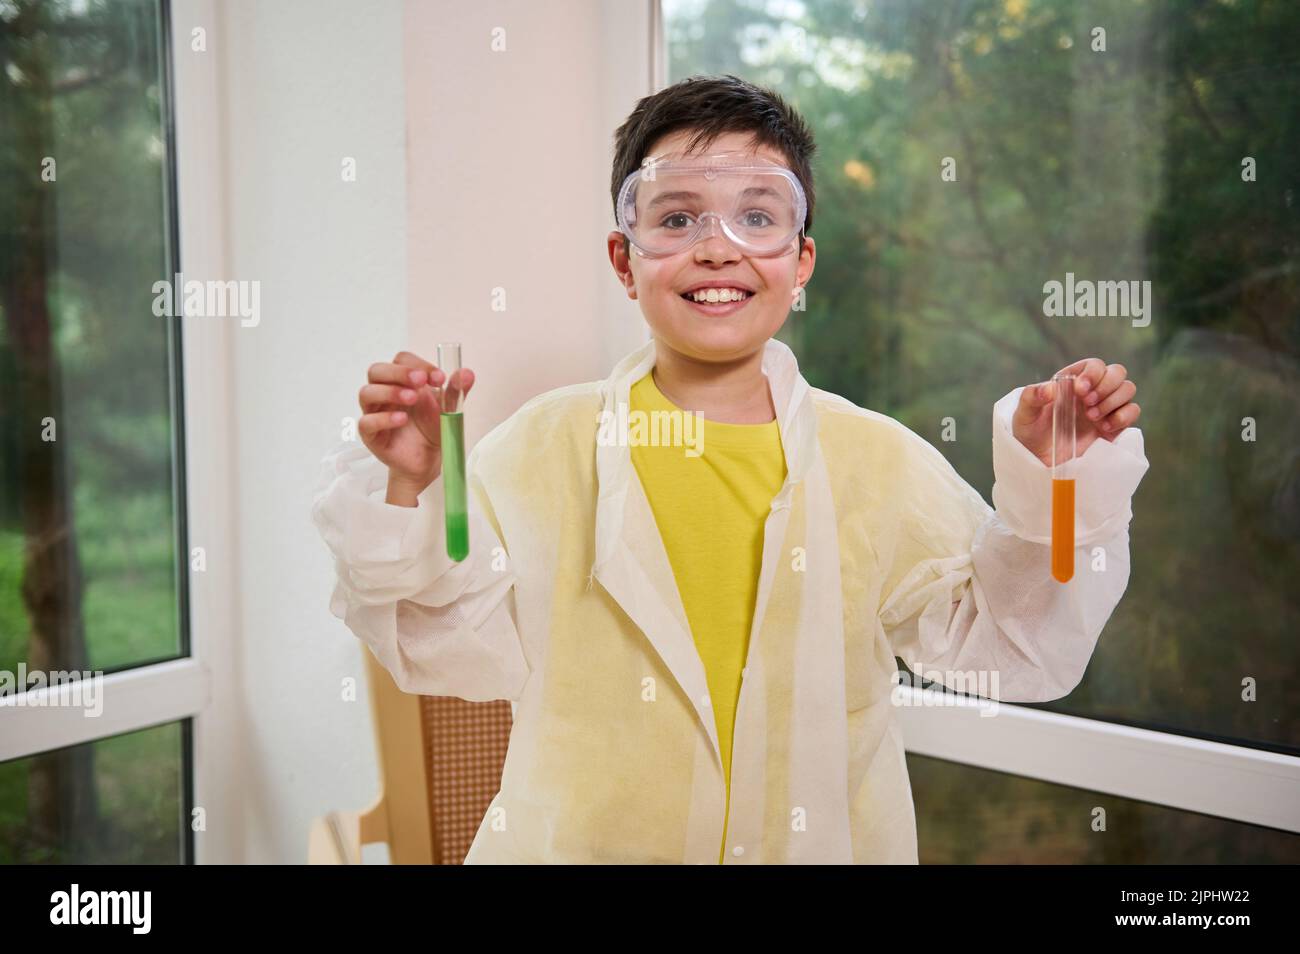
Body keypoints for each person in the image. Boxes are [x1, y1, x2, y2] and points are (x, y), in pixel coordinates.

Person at [310, 74, 1150, 864]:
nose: (718, 249)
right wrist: (412, 488)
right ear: (622, 260)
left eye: (758, 216)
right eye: (676, 220)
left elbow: (1015, 647)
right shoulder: (544, 448)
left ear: (801, 261)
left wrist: (1057, 493)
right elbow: (446, 644)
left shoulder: (874, 459)